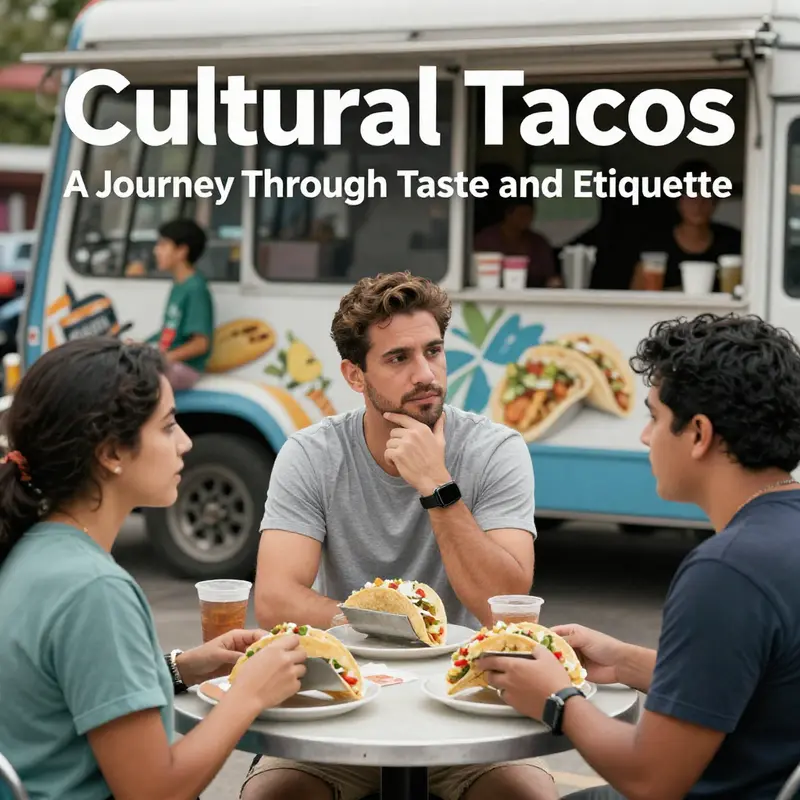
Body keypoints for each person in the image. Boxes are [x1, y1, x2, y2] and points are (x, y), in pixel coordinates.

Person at [241, 272, 558, 800]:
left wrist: (438, 488)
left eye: (434, 351)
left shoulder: (495, 450)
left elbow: (504, 608)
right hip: (340, 698)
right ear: (355, 375)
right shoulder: (311, 453)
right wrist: (392, 627)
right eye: (398, 358)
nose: (426, 373)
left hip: (464, 698)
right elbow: (275, 600)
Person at [476, 313, 800, 800]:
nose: (645, 438)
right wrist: (624, 662)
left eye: (653, 417)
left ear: (698, 433)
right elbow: (757, 685)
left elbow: (652, 780)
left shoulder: (726, 570)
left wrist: (557, 698)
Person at [0, 337, 307, 800]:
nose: (185, 442)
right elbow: (154, 791)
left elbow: (62, 694)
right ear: (111, 453)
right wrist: (250, 694)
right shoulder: (94, 589)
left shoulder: (31, 551)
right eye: (167, 426)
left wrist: (180, 668)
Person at [630, 160, 742, 291]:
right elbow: (637, 298)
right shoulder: (655, 244)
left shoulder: (733, 242)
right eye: (691, 192)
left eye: (707, 192)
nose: (699, 202)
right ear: (677, 198)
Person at [151, 218, 215, 390]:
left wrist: (165, 358)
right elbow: (170, 332)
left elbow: (200, 344)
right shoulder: (179, 285)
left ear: (181, 251)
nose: (156, 250)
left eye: (163, 245)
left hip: (184, 368)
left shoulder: (195, 288)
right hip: (170, 362)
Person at [474, 197, 563, 288]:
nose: (527, 219)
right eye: (522, 214)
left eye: (530, 214)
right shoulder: (486, 240)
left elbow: (550, 276)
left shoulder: (539, 242)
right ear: (508, 214)